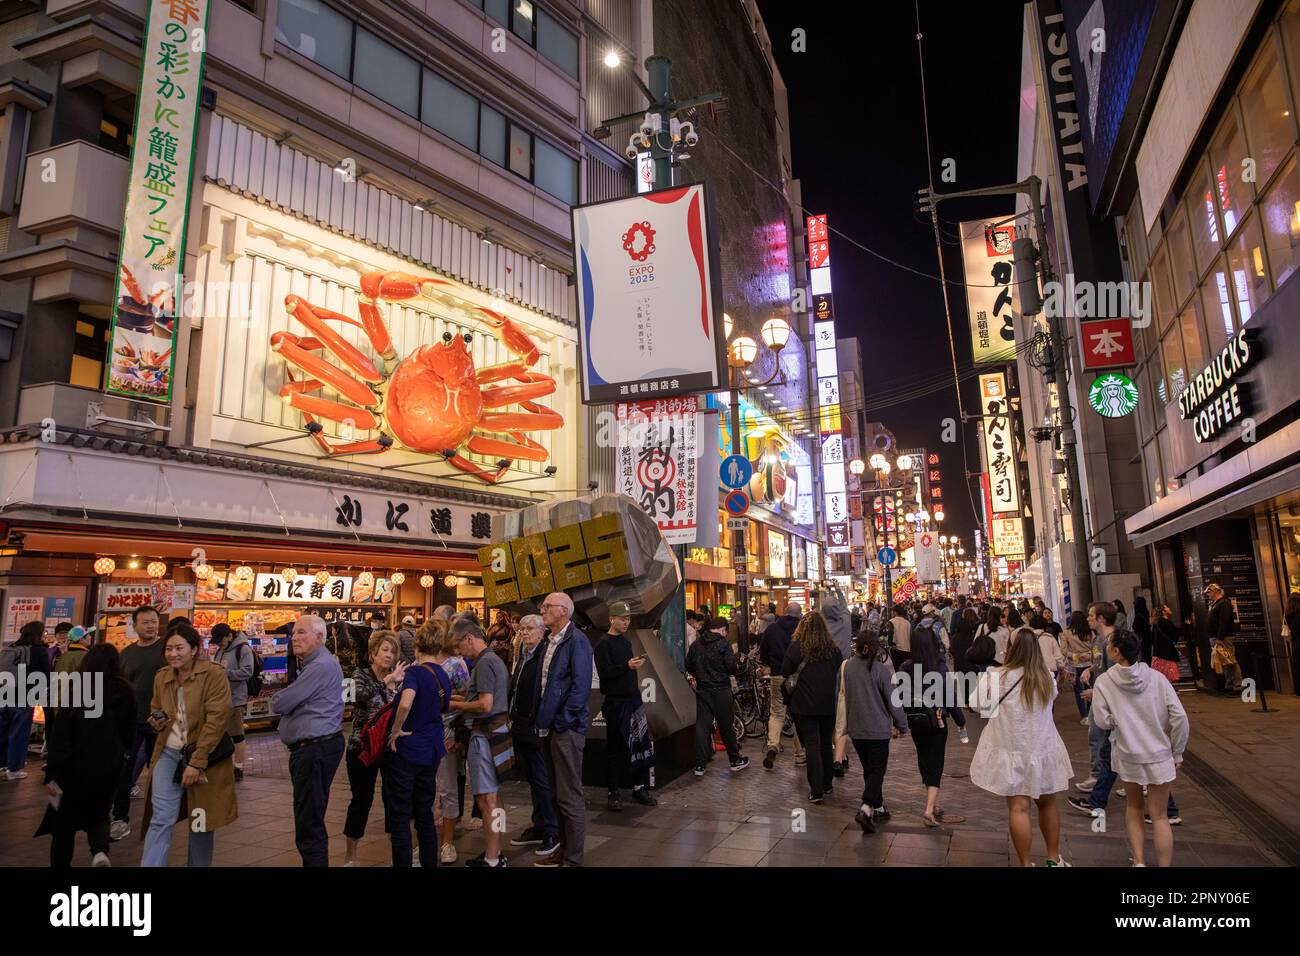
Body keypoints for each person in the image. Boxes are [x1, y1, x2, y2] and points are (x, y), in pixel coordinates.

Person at [969, 628, 1074, 866]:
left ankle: (1026, 863)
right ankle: (1053, 858)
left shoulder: (997, 676)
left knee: (1019, 809)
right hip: (1043, 749)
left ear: (1011, 648)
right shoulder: (1046, 677)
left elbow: (976, 704)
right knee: (1047, 804)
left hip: (1011, 749)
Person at [140, 624, 237, 866]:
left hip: (204, 757)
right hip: (168, 753)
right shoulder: (162, 676)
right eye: (169, 648)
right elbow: (156, 706)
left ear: (194, 649)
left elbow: (216, 720)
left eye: (179, 648)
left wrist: (197, 762)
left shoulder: (213, 674)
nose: (173, 653)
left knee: (200, 820)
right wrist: (157, 719)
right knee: (161, 818)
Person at [1090, 629, 1189, 867]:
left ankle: (1140, 861)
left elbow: (1102, 721)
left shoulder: (1104, 682)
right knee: (1160, 815)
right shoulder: (1156, 678)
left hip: (1127, 752)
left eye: (1109, 645)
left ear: (1116, 651)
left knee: (1133, 807)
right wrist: (1178, 751)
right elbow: (1180, 717)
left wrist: (1117, 720)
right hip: (1159, 753)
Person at [35, 643, 135, 866]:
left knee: (63, 824)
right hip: (108, 765)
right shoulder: (125, 690)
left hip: (72, 767)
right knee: (99, 813)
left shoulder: (78, 687)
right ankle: (99, 852)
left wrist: (53, 772)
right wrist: (121, 754)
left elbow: (61, 734)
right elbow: (129, 731)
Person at [271, 614, 345, 867]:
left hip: (315, 750)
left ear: (319, 637)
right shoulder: (314, 664)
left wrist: (282, 702)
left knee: (309, 823)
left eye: (302, 632)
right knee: (309, 817)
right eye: (294, 633)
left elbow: (282, 702)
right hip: (316, 749)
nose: (295, 638)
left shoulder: (320, 666)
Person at [533, 592, 594, 867]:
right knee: (558, 794)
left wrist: (562, 721)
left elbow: (581, 688)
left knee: (569, 795)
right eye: (543, 606)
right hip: (551, 726)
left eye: (548, 606)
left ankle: (573, 858)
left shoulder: (577, 641)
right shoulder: (551, 640)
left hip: (566, 729)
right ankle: (563, 850)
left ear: (564, 611)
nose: (542, 610)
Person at [385, 623, 452, 867]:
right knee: (425, 812)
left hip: (408, 749)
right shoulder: (442, 674)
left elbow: (405, 703)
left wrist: (395, 730)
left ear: (417, 646)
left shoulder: (415, 672)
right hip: (432, 748)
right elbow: (443, 709)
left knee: (400, 815)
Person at [447, 624, 511, 866]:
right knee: (495, 796)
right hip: (498, 732)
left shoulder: (484, 663)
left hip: (485, 735)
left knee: (487, 799)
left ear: (469, 638)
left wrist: (456, 706)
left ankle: (493, 858)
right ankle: (496, 850)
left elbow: (484, 704)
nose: (459, 652)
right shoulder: (495, 660)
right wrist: (460, 698)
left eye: (459, 645)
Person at [342, 630, 405, 867]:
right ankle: (351, 856)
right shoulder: (358, 674)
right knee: (361, 799)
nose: (389, 656)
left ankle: (393, 855)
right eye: (385, 650)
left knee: (393, 800)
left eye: (393, 651)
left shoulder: (399, 677)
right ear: (373, 653)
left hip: (390, 748)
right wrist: (385, 683)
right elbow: (351, 697)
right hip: (362, 747)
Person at [838, 629, 907, 831]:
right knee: (877, 770)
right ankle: (867, 807)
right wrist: (901, 725)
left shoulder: (848, 667)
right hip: (877, 729)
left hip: (857, 729)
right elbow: (893, 702)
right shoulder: (879, 670)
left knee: (870, 769)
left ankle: (878, 806)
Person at [110, 605, 167, 840]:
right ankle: (120, 818)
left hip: (160, 721)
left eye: (154, 621)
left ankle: (160, 818)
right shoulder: (127, 654)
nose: (151, 625)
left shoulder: (167, 650)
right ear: (134, 626)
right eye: (145, 622)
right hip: (131, 721)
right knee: (124, 770)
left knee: (160, 772)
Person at [593, 601, 656, 810]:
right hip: (616, 703)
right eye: (622, 618)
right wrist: (626, 665)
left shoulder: (626, 642)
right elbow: (605, 673)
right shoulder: (603, 644)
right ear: (612, 619)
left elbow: (622, 670)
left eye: (628, 619)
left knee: (638, 745)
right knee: (615, 749)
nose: (626, 622)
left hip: (633, 700)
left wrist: (633, 665)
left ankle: (639, 788)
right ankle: (614, 793)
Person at [507, 614, 560, 861]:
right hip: (519, 724)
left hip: (536, 726)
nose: (524, 633)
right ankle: (539, 825)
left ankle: (552, 831)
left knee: (543, 779)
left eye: (529, 629)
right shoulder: (523, 654)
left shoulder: (545, 655)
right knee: (532, 779)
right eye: (521, 629)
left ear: (542, 631)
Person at [781, 612, 843, 803]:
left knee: (812, 745)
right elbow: (840, 672)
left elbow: (785, 672)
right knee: (825, 743)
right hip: (827, 704)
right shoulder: (833, 649)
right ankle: (827, 783)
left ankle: (816, 790)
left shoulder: (796, 648)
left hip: (804, 705)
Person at [900, 622, 954, 827]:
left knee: (924, 759)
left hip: (916, 721)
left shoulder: (906, 666)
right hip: (937, 720)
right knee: (936, 761)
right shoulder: (939, 667)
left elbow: (901, 695)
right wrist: (960, 720)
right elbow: (950, 698)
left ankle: (934, 802)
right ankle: (929, 809)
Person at [686, 617, 748, 777]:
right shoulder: (723, 644)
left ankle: (699, 765)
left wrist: (701, 677)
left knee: (702, 727)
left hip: (703, 690)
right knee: (726, 726)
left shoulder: (696, 644)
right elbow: (731, 667)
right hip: (721, 690)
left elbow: (688, 665)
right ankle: (735, 760)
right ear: (722, 629)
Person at [1, 621, 51, 781]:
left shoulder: (11, 648)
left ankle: (2, 764)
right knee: (19, 733)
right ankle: (14, 769)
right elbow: (45, 674)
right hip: (24, 696)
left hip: (4, 695)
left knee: (2, 731)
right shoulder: (39, 650)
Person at [758, 601, 804, 769]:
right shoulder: (803, 629)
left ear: (785, 612)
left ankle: (772, 745)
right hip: (799, 678)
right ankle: (800, 754)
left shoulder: (772, 629)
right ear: (800, 614)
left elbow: (763, 652)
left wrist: (768, 664)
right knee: (799, 714)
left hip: (778, 675)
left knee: (777, 713)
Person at [209, 623, 255, 782]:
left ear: (229, 635)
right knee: (222, 734)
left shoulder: (243, 649)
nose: (219, 644)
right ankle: (225, 766)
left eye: (221, 640)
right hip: (220, 698)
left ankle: (239, 767)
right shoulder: (222, 650)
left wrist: (224, 673)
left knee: (236, 735)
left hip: (236, 698)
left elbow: (248, 671)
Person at [1205, 584, 1242, 694]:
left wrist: (1220, 637)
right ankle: (1229, 684)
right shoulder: (1215, 604)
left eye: (1209, 592)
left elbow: (1224, 621)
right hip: (1216, 636)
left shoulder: (1224, 603)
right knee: (1224, 662)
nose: (1208, 595)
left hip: (1223, 637)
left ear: (1215, 591)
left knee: (1230, 660)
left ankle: (1238, 685)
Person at [1061, 611, 1095, 721]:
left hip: (1075, 665)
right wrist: (1088, 655)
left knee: (1078, 691)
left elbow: (1063, 650)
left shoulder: (1066, 633)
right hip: (1090, 664)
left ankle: (1084, 715)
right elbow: (1096, 648)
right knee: (1090, 688)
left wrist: (1075, 656)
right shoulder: (1090, 632)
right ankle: (1090, 714)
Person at [1151, 605, 1183, 685]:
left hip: (1159, 654)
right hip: (1166, 655)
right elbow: (1174, 633)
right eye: (1167, 608)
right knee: (1168, 677)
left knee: (1162, 678)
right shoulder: (1165, 622)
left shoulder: (1157, 622)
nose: (1169, 608)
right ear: (1163, 611)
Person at [888, 605, 912, 671]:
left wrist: (890, 644)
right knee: (906, 669)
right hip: (907, 649)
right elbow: (911, 636)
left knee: (898, 668)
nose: (891, 613)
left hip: (896, 649)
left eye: (892, 612)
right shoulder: (907, 622)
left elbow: (890, 634)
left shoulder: (892, 621)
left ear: (895, 612)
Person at [1131, 597, 1153, 663]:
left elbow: (1134, 626)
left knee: (1143, 656)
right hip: (1147, 637)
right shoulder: (1146, 612)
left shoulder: (1138, 615)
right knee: (1148, 655)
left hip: (1141, 638)